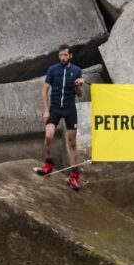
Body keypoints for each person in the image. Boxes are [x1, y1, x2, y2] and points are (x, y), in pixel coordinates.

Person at [36, 44, 85, 191]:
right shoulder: (53, 70)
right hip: (55, 108)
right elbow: (44, 90)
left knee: (72, 143)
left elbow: (80, 94)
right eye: (60, 55)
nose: (63, 57)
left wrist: (78, 85)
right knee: (49, 136)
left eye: (65, 55)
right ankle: (48, 163)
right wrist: (46, 110)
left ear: (70, 56)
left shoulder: (77, 71)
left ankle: (74, 177)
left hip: (70, 109)